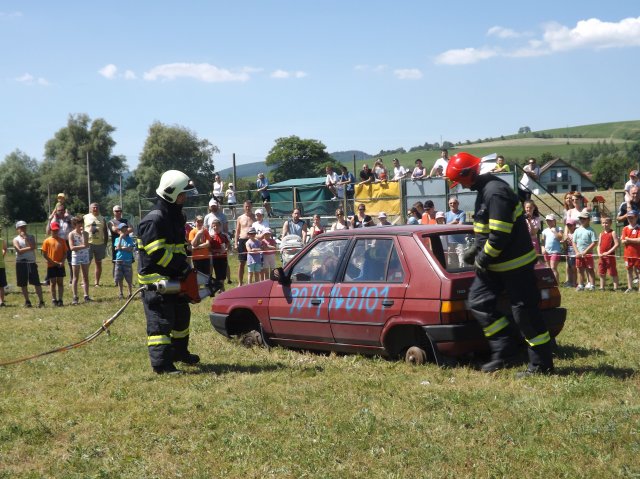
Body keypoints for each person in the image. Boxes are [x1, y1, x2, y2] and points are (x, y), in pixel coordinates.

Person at [445, 152, 554, 376]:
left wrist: (482, 258)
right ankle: (505, 350)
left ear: (468, 174)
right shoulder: (483, 190)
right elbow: (485, 229)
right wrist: (476, 249)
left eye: (460, 181)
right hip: (495, 266)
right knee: (478, 301)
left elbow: (499, 236)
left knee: (525, 314)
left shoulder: (495, 192)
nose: (460, 186)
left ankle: (541, 364)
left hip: (515, 266)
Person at [137, 170, 201, 375]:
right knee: (161, 322)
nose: (185, 198)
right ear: (171, 193)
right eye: (182, 194)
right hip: (156, 281)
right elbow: (157, 254)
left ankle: (179, 353)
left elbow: (178, 246)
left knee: (181, 317)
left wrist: (185, 267)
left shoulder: (176, 216)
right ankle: (161, 364)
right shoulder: (153, 220)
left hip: (175, 277)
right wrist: (181, 267)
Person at [13, 221, 45, 308]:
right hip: (21, 263)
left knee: (36, 282)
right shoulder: (16, 239)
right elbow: (19, 251)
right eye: (21, 227)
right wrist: (29, 248)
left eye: (24, 227)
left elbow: (33, 247)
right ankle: (27, 301)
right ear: (17, 229)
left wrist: (26, 239)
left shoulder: (31, 237)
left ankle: (41, 301)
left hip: (31, 262)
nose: (23, 229)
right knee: (23, 283)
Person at [41, 221, 69, 307]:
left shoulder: (62, 241)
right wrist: (52, 262)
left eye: (57, 230)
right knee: (52, 283)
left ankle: (60, 299)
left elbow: (65, 253)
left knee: (60, 283)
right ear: (51, 230)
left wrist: (62, 261)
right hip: (51, 265)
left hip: (60, 265)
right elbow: (44, 254)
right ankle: (54, 299)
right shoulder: (47, 241)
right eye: (54, 230)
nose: (55, 231)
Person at [83, 202, 108, 287]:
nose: (95, 209)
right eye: (93, 207)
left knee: (98, 263)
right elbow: (80, 229)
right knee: (86, 264)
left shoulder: (102, 218)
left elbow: (105, 231)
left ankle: (96, 282)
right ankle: (84, 282)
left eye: (97, 207)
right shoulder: (85, 217)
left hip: (100, 244)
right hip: (88, 243)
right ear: (90, 209)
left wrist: (105, 244)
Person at [68, 215, 92, 304]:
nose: (81, 225)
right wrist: (83, 246)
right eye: (79, 223)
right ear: (75, 224)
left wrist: (83, 236)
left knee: (85, 276)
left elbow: (86, 244)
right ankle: (75, 297)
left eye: (82, 223)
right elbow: (72, 248)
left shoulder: (85, 233)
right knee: (75, 277)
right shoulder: (71, 234)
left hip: (85, 256)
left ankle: (86, 296)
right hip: (76, 257)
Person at [574, 211, 597, 291]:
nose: (582, 220)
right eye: (580, 218)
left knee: (590, 269)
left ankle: (592, 285)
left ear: (588, 219)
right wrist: (577, 252)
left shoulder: (591, 231)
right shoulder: (577, 230)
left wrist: (585, 251)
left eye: (584, 218)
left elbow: (594, 242)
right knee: (579, 270)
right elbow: (574, 242)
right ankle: (580, 285)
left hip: (588, 254)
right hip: (579, 254)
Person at [235, 200, 255, 286]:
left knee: (254, 262)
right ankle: (240, 282)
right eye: (246, 206)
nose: (247, 208)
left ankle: (252, 282)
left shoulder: (255, 217)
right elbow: (237, 231)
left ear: (251, 206)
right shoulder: (240, 218)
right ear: (243, 207)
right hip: (242, 240)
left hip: (252, 241)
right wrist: (235, 243)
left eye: (249, 206)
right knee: (241, 262)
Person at [114, 223, 135, 299]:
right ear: (119, 231)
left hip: (127, 261)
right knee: (120, 278)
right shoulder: (117, 239)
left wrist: (121, 248)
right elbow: (117, 247)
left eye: (125, 230)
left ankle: (130, 293)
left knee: (129, 278)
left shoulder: (129, 239)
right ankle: (121, 293)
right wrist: (120, 239)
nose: (124, 232)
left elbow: (130, 249)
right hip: (119, 260)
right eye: (122, 230)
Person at [598, 216, 619, 291]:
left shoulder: (613, 233)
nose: (605, 224)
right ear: (601, 224)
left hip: (610, 256)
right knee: (601, 272)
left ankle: (615, 287)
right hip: (602, 256)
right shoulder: (601, 234)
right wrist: (599, 253)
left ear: (610, 223)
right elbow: (598, 245)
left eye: (606, 223)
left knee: (613, 272)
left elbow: (617, 244)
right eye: (603, 223)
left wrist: (608, 252)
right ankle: (602, 287)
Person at [541, 214, 563, 284]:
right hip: (546, 252)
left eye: (550, 221)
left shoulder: (559, 228)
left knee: (553, 267)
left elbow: (560, 238)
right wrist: (543, 248)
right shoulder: (544, 231)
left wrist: (554, 231)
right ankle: (550, 283)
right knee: (548, 268)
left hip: (555, 251)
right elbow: (542, 241)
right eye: (547, 221)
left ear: (554, 221)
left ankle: (556, 283)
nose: (549, 222)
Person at [621, 210, 640, 293]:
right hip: (628, 254)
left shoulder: (639, 228)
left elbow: (639, 240)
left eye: (632, 217)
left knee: (639, 271)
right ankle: (630, 287)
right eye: (628, 218)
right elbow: (623, 241)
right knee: (629, 270)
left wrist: (628, 239)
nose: (630, 219)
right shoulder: (625, 228)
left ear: (636, 218)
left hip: (638, 254)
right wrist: (631, 240)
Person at [108, 205, 129, 279]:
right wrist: (125, 230)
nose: (119, 212)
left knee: (128, 262)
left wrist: (120, 229)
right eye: (117, 211)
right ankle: (116, 280)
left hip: (127, 244)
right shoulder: (111, 222)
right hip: (116, 244)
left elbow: (131, 228)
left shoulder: (125, 220)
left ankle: (128, 280)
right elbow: (114, 229)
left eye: (120, 211)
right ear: (113, 212)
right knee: (116, 262)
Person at [445, 196, 466, 268]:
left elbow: (460, 226)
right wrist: (453, 222)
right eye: (450, 203)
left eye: (454, 203)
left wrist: (448, 225)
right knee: (451, 264)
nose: (452, 204)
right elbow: (443, 226)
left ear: (458, 204)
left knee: (462, 263)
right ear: (448, 204)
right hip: (449, 242)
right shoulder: (446, 214)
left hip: (460, 242)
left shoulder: (462, 213)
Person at [208, 219, 229, 291]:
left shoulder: (224, 236)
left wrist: (226, 249)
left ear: (220, 226)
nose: (215, 227)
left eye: (217, 226)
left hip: (223, 257)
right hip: (216, 258)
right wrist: (217, 251)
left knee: (223, 274)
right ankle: (221, 288)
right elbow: (209, 249)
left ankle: (221, 287)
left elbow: (227, 245)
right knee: (218, 273)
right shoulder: (211, 237)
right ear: (212, 227)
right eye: (214, 226)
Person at [563, 218, 578, 288]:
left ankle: (574, 283)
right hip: (569, 253)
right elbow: (565, 246)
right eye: (568, 225)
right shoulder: (567, 235)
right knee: (569, 268)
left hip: (575, 253)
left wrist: (572, 241)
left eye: (570, 225)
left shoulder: (576, 233)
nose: (569, 227)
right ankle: (569, 282)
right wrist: (564, 242)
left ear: (574, 225)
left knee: (574, 268)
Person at [0, 227, 6, 307]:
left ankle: (1, 301)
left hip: (1, 265)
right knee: (1, 285)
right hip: (1, 265)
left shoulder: (1, 240)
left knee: (1, 285)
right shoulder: (2, 240)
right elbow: (5, 249)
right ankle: (1, 301)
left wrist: (2, 256)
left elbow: (4, 249)